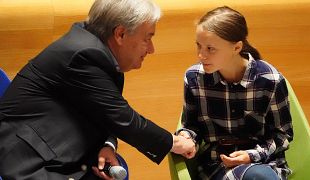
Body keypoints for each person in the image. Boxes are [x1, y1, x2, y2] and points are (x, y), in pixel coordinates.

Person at [0, 0, 196, 179]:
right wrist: (176, 143)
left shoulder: (94, 48)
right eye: (147, 38)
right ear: (120, 34)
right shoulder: (83, 54)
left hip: (59, 147)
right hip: (26, 159)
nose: (151, 49)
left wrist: (106, 144)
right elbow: (123, 118)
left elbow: (102, 112)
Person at [177, 6, 293, 180]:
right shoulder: (194, 78)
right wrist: (186, 137)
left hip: (263, 162)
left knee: (258, 176)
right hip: (217, 164)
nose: (201, 55)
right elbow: (192, 126)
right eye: (199, 46)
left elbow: (283, 135)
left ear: (237, 47)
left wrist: (251, 155)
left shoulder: (270, 79)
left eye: (210, 49)